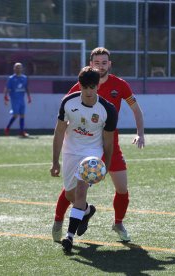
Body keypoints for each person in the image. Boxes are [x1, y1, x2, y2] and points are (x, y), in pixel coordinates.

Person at [52, 47, 145, 243]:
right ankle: (59, 221)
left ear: (109, 64)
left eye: (104, 63)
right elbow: (67, 109)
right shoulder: (83, 83)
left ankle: (118, 223)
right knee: (75, 188)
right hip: (86, 145)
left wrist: (140, 134)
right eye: (97, 63)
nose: (101, 66)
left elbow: (136, 109)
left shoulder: (120, 85)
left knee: (122, 188)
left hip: (111, 144)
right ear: (91, 63)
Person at [50, 66, 118, 252]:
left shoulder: (108, 110)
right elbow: (59, 132)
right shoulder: (68, 102)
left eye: (92, 87)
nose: (89, 91)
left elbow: (108, 140)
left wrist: (108, 164)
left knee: (80, 191)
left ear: (98, 87)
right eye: (85, 87)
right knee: (70, 194)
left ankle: (69, 237)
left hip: (92, 153)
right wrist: (55, 161)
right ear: (79, 86)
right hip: (70, 151)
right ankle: (87, 211)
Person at [3, 62, 32, 137]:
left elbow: (26, 88)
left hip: (21, 99)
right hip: (14, 99)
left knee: (22, 115)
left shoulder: (24, 78)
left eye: (19, 67)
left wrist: (29, 97)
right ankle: (7, 128)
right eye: (16, 67)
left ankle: (21, 131)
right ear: (14, 69)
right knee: (15, 115)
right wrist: (5, 97)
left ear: (22, 69)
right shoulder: (11, 78)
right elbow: (7, 88)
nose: (18, 69)